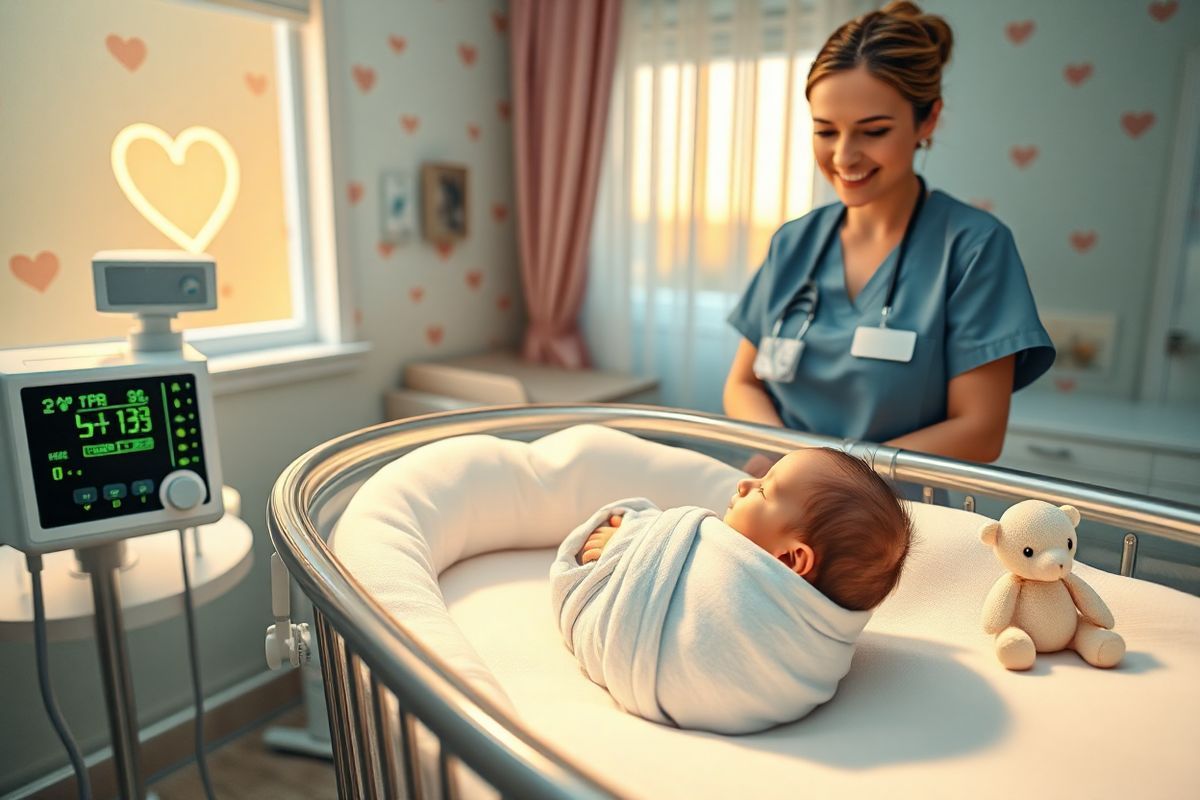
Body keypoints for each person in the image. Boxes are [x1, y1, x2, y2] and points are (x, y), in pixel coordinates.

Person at [723, 1, 1055, 470]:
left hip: (897, 511)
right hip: (777, 490)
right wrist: (792, 464)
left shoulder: (973, 248)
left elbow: (979, 431)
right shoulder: (794, 242)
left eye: (873, 131)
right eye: (825, 131)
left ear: (928, 120)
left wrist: (835, 474)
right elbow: (743, 385)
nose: (843, 157)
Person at [577, 447, 912, 611]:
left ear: (791, 558)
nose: (744, 484)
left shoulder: (737, 590)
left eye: (764, 490)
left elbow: (674, 579)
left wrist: (634, 546)